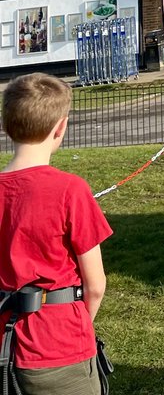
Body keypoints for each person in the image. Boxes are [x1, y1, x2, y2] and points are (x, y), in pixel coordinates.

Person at [0, 74, 112, 395]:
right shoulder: (70, 190)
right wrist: (78, 325)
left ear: (7, 125)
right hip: (59, 346)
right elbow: (96, 285)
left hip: (5, 346)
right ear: (60, 128)